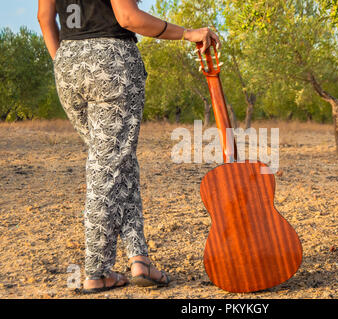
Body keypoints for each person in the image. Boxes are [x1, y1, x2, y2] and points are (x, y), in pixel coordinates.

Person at [37, 0, 221, 294]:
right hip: (111, 62)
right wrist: (187, 33)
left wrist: (64, 61)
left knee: (117, 162)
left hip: (68, 63)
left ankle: (139, 259)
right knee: (106, 167)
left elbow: (44, 18)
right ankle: (96, 271)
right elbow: (128, 17)